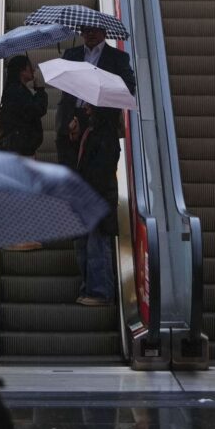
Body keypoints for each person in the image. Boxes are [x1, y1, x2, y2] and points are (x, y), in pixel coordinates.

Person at [55, 26, 136, 170]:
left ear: (104, 32)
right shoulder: (71, 54)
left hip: (102, 124)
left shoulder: (117, 57)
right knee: (69, 178)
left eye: (94, 30)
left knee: (99, 179)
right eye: (86, 30)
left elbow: (129, 87)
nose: (90, 33)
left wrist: (99, 104)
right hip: (71, 123)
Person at [67, 104, 120, 305]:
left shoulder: (107, 135)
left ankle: (101, 291)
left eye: (90, 106)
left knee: (97, 244)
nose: (85, 109)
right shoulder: (91, 131)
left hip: (99, 198)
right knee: (82, 244)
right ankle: (89, 287)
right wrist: (74, 138)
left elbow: (101, 168)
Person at [0, 55, 47, 157]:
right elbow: (38, 109)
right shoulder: (17, 92)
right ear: (22, 71)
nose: (33, 70)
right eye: (29, 66)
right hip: (18, 151)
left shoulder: (16, 90)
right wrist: (40, 90)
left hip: (17, 149)